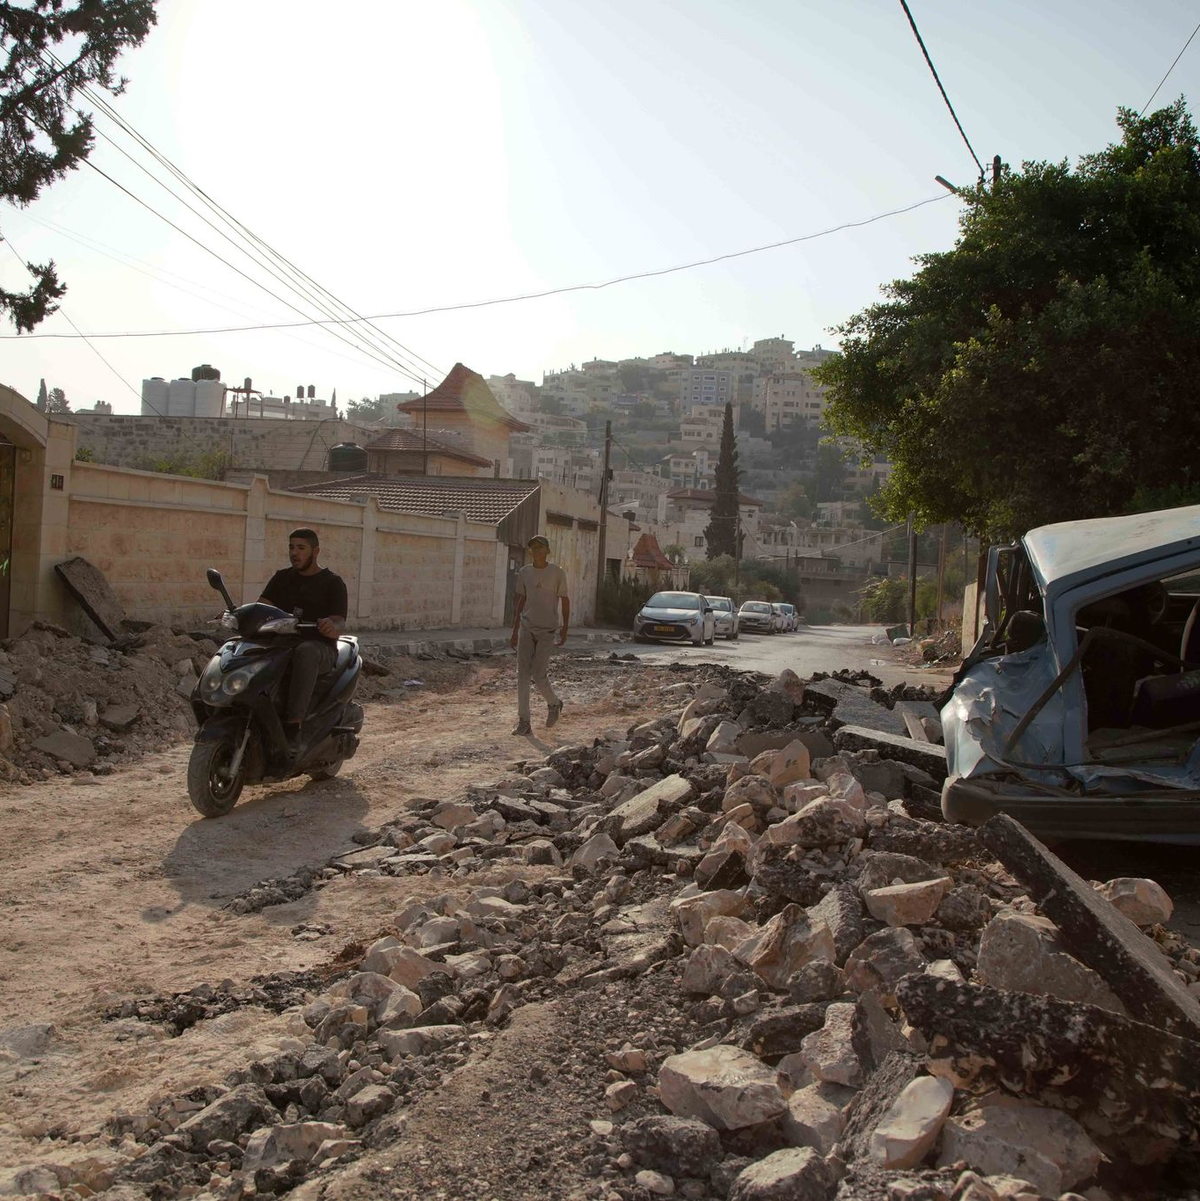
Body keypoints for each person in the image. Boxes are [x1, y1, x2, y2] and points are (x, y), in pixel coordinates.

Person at [258, 528, 348, 754]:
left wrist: (330, 626)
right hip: (283, 644)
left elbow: (339, 622)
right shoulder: (281, 578)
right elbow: (261, 607)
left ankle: (293, 727)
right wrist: (238, 615)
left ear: (315, 551)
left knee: (305, 651)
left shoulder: (332, 583)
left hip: (320, 649)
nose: (294, 553)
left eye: (301, 548)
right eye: (291, 547)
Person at [509, 534, 570, 735]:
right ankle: (524, 721)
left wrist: (565, 628)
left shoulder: (557, 573)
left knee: (538, 674)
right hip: (527, 627)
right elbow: (521, 600)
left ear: (547, 551)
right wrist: (515, 631)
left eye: (540, 547)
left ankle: (554, 703)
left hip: (547, 630)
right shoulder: (525, 572)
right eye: (534, 548)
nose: (537, 551)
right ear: (530, 551)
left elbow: (565, 600)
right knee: (523, 675)